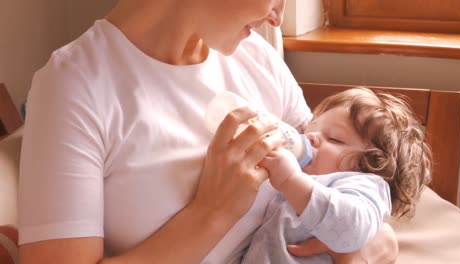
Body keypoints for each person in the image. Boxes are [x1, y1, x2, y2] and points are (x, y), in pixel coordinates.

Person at [18, 0, 397, 263]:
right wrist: (212, 213)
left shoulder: (255, 58)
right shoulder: (74, 87)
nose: (278, 17)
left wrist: (378, 241)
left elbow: (342, 180)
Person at [242, 87, 432, 263]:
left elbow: (352, 228)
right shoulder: (297, 182)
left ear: (371, 165)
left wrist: (290, 180)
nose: (310, 137)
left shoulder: (364, 185)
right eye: (311, 128)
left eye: (334, 138)